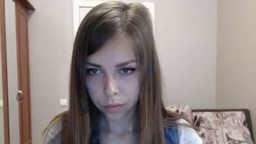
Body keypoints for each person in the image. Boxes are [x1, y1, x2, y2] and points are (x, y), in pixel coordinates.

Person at [44, 1, 202, 144]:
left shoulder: (183, 139)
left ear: (147, 71)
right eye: (93, 71)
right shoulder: (61, 135)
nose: (110, 90)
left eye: (126, 70)